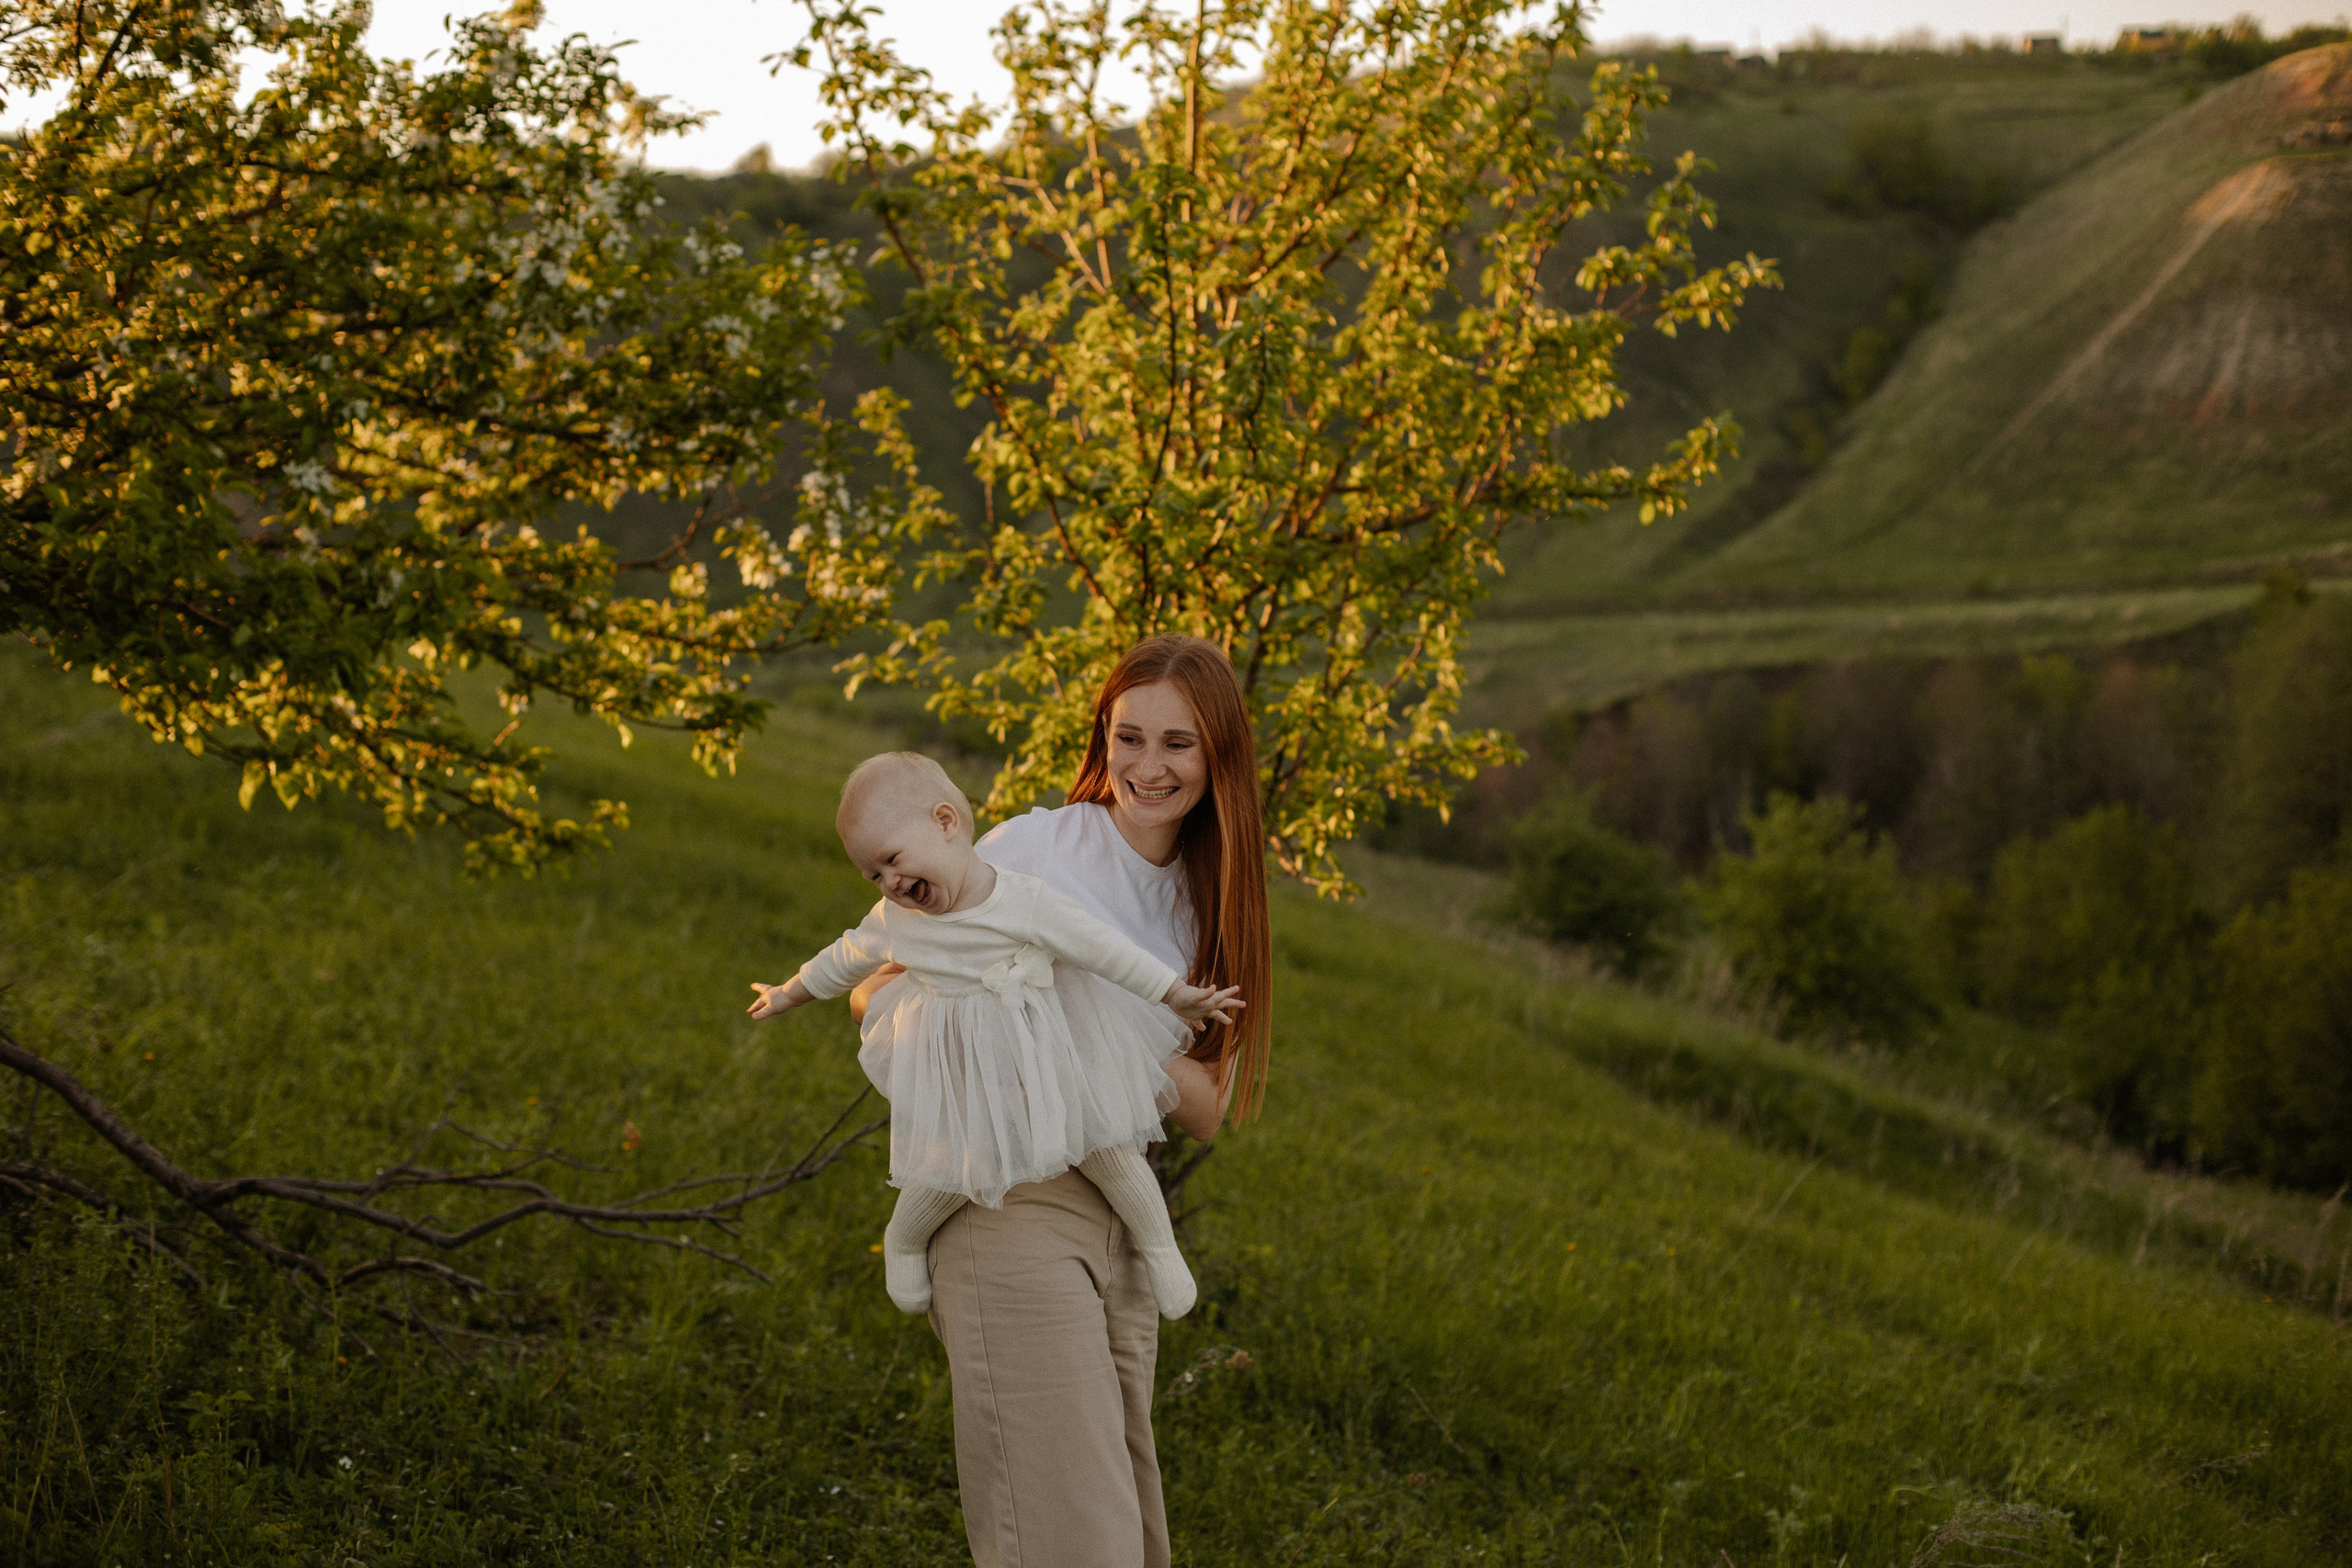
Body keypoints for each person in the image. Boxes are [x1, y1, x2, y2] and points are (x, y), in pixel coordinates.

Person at [849, 635, 1272, 1568]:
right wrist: (1056, 1034)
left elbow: (1207, 1105)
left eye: (1178, 744)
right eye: (1129, 738)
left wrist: (1082, 1041)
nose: (1147, 767)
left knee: (1131, 1534)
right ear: (1102, 739)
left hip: (1121, 1205)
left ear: (1218, 757)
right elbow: (875, 990)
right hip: (1006, 1190)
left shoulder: (1212, 898)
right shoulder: (1035, 848)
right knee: (1073, 1540)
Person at [745, 750, 1242, 1318]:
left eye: (892, 860)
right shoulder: (897, 920)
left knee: (1111, 1150)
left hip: (1049, 1052)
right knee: (949, 1166)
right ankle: (904, 1242)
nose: (891, 883)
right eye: (873, 875)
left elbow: (1102, 950)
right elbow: (845, 958)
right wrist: (789, 991)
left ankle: (1160, 1249)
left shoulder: (1022, 898)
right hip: (978, 1073)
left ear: (945, 823)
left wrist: (1174, 994)